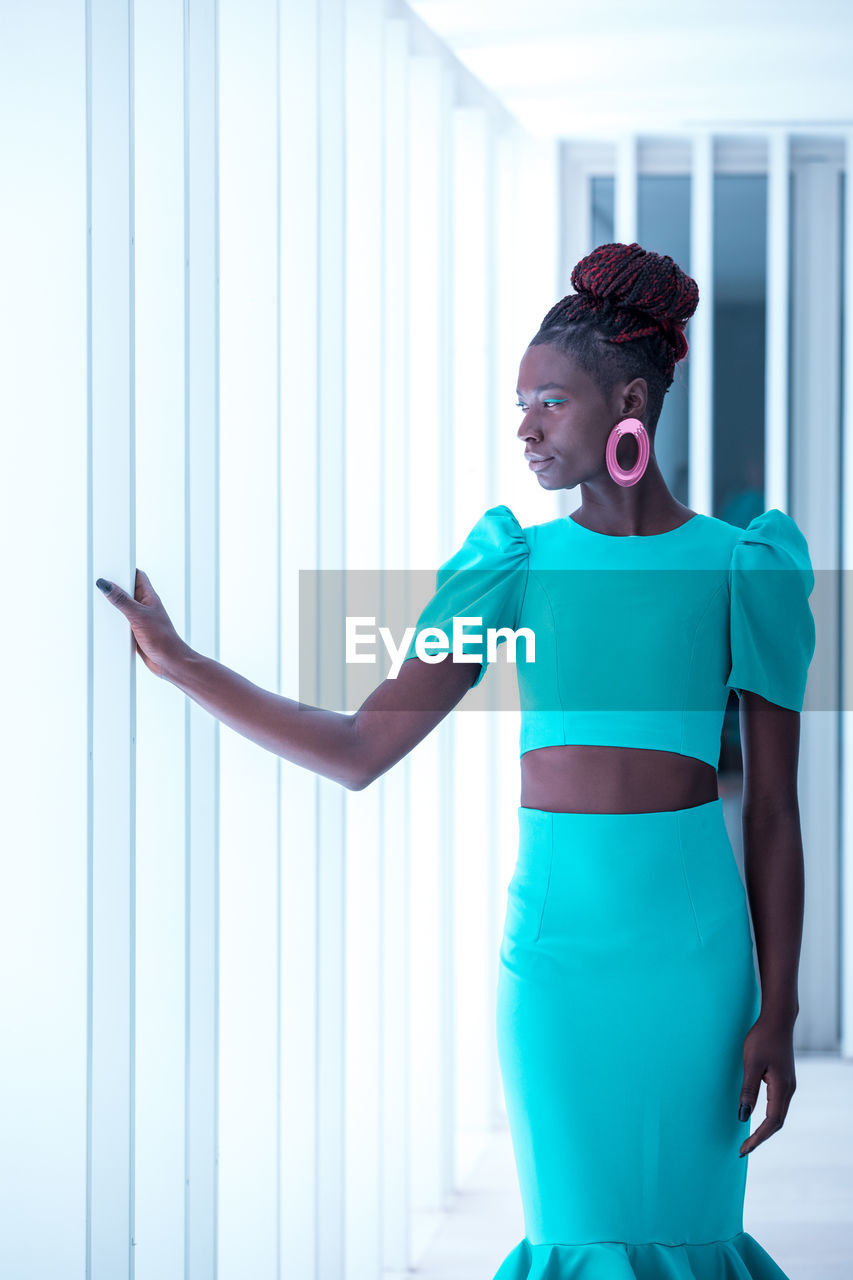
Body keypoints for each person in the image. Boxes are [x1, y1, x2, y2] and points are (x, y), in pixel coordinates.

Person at [97, 241, 816, 1279]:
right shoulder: (513, 565)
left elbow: (774, 817)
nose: (524, 426)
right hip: (558, 965)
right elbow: (362, 746)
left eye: (549, 401)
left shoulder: (742, 563)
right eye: (520, 401)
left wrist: (777, 1009)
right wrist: (185, 665)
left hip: (696, 970)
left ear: (629, 401)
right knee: (577, 1232)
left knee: (688, 1239)